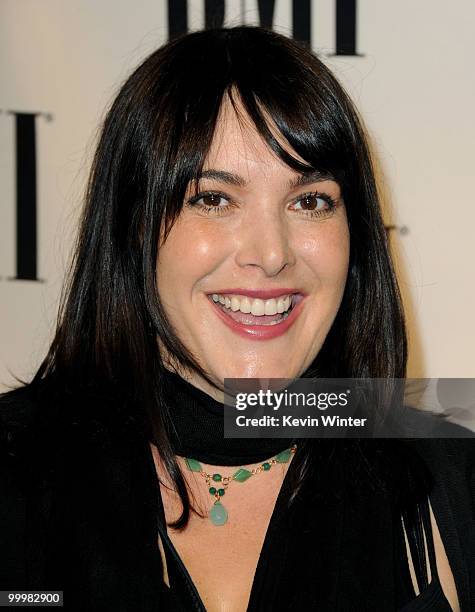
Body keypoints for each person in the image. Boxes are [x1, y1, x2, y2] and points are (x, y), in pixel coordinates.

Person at [0, 26, 473, 612]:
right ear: (131, 230)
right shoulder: (14, 473)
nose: (271, 252)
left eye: (310, 201)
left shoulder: (451, 480)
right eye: (214, 200)